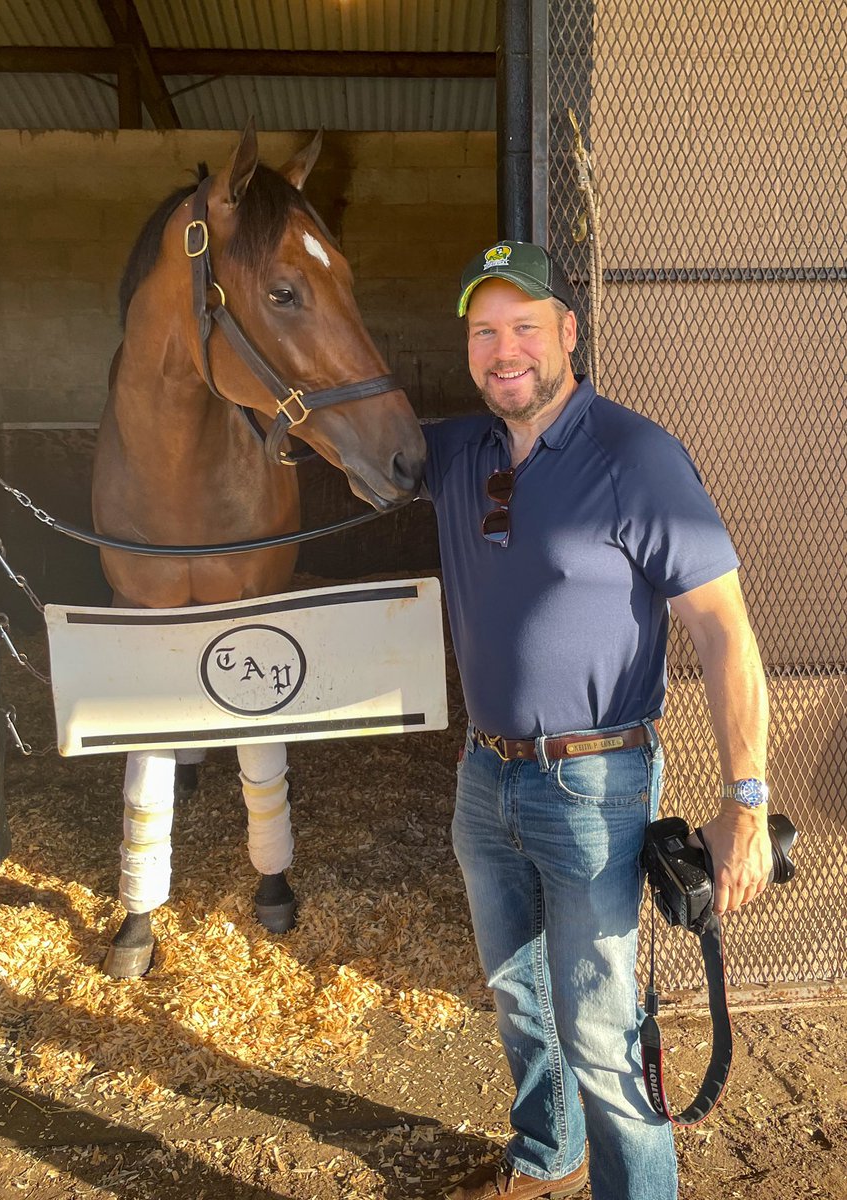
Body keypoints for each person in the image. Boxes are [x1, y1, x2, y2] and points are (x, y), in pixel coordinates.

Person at [422, 241, 773, 1200]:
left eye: (525, 328)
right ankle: (548, 1155)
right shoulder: (461, 450)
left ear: (568, 333)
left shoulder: (635, 457)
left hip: (596, 785)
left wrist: (745, 797)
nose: (506, 352)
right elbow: (339, 431)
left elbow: (724, 630)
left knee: (604, 1028)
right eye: (485, 332)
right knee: (516, 997)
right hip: (484, 772)